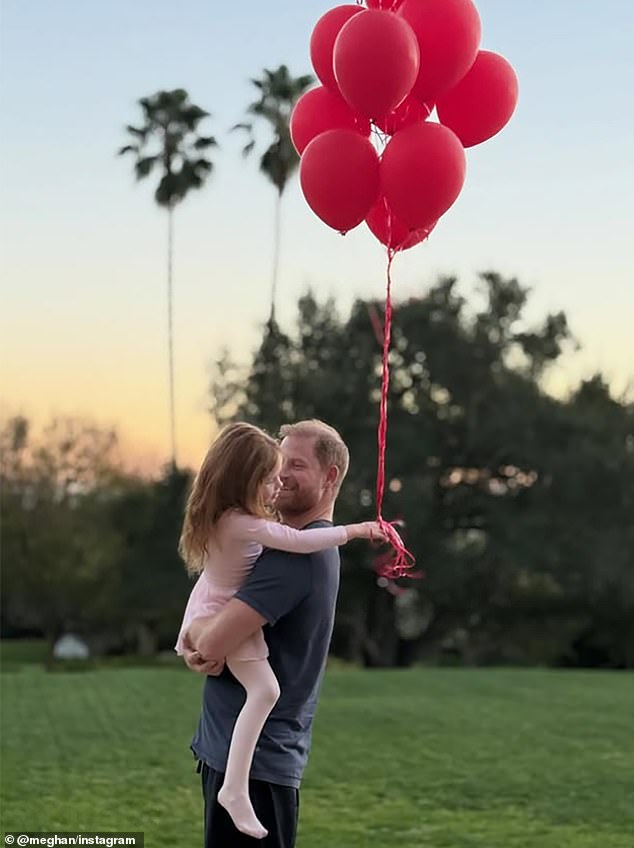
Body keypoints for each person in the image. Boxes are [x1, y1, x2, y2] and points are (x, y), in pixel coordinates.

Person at [178, 421, 380, 843]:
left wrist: (197, 634)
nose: (281, 473)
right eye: (279, 462)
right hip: (239, 755)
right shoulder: (276, 540)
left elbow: (213, 644)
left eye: (297, 465)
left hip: (257, 771)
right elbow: (218, 577)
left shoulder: (298, 555)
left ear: (330, 477)